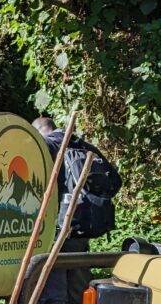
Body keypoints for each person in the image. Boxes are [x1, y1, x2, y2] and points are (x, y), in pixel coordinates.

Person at [34, 117, 119, 304]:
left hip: (56, 225)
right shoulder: (84, 145)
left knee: (53, 282)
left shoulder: (46, 145)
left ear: (39, 130)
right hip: (83, 222)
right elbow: (115, 181)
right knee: (78, 279)